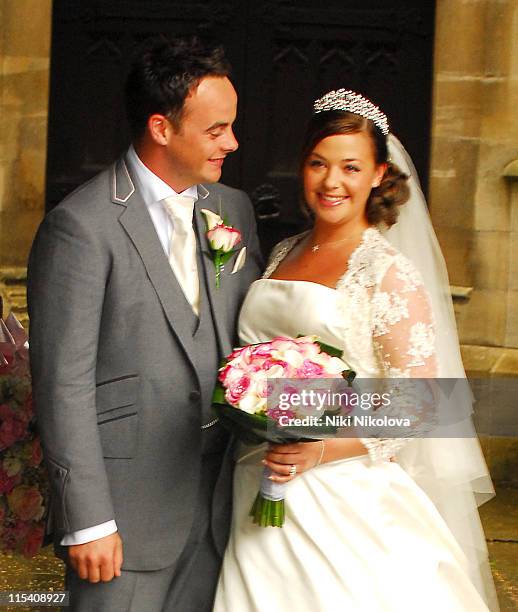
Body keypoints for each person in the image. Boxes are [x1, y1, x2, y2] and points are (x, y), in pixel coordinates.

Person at [214, 90, 498, 611]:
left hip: (339, 492)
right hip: (256, 473)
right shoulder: (283, 252)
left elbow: (426, 404)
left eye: (350, 167)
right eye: (318, 164)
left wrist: (318, 447)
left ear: (377, 175)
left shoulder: (387, 270)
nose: (331, 182)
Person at [27, 36, 261, 611]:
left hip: (219, 512)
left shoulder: (232, 209)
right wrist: (87, 521)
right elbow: (64, 383)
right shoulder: (80, 228)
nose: (232, 142)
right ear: (161, 128)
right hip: (123, 523)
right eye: (215, 130)